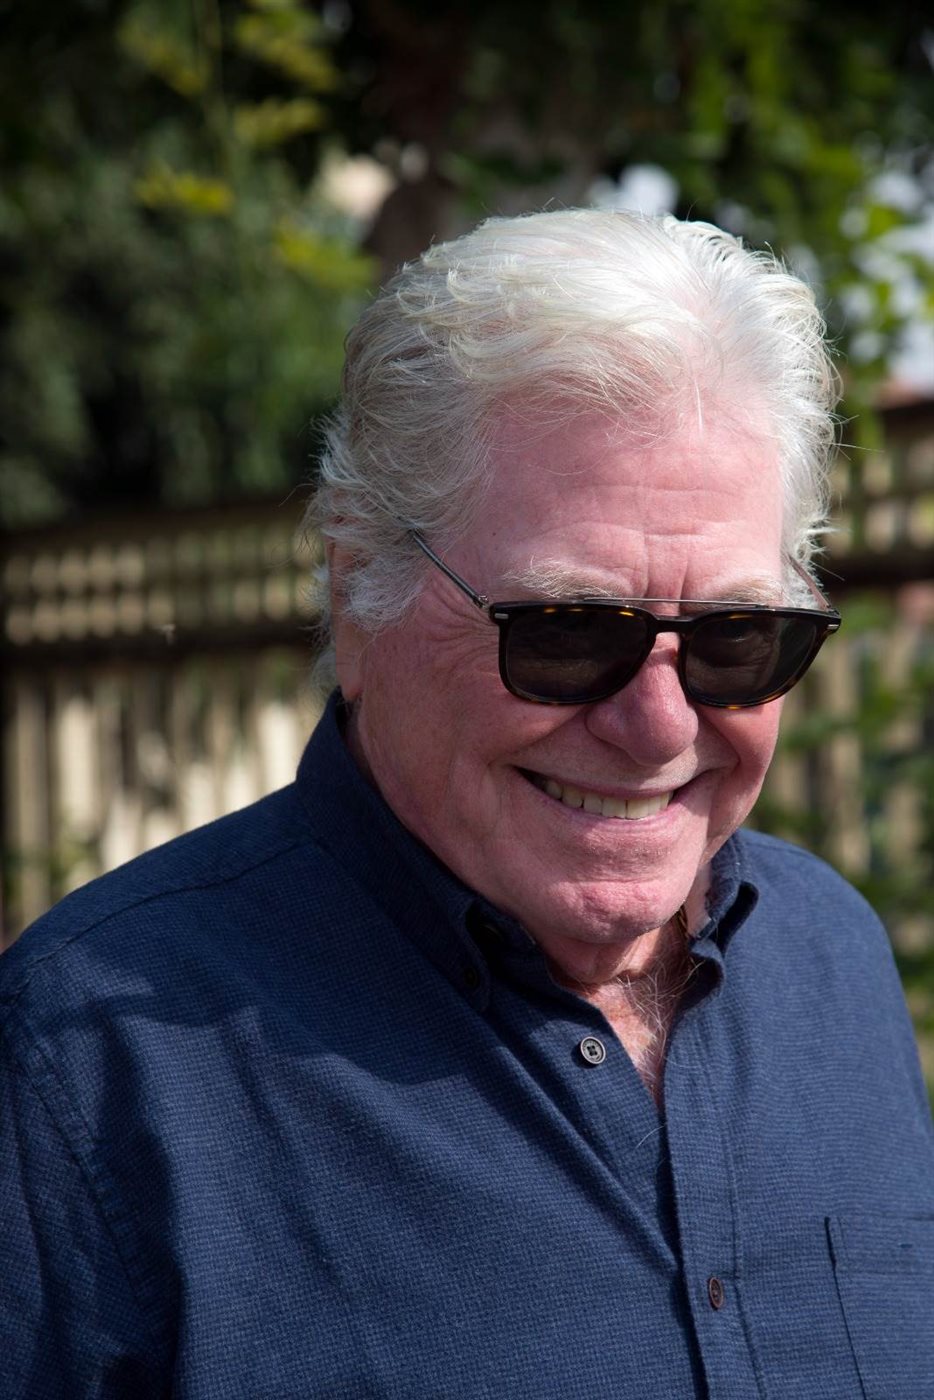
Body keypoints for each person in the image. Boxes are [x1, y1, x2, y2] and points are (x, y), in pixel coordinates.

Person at [1, 211, 932, 1399]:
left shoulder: (831, 956)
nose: (658, 726)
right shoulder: (82, 1072)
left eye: (736, 636)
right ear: (357, 592)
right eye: (567, 631)